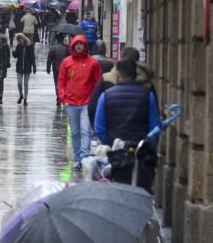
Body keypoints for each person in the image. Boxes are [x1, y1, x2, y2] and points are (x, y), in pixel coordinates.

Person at [94, 58, 160, 191]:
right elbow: (155, 128)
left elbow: (99, 127)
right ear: (135, 74)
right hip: (140, 155)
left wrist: (112, 142)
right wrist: (146, 147)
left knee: (117, 190)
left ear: (118, 75)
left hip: (116, 156)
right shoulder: (148, 96)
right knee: (140, 190)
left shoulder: (106, 96)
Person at [57, 35, 103, 170]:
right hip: (71, 103)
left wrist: (94, 99)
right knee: (75, 132)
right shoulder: (66, 62)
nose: (79, 46)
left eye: (81, 44)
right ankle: (77, 158)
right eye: (76, 44)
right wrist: (63, 97)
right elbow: (61, 81)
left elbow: (97, 82)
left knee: (85, 131)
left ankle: (84, 157)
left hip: (86, 103)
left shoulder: (92, 63)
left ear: (85, 46)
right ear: (72, 46)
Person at [88, 46, 156, 126]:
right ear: (137, 61)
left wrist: (100, 132)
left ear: (121, 58)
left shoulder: (106, 78)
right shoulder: (147, 83)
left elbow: (93, 107)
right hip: (140, 134)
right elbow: (154, 113)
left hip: (112, 132)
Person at [46, 33, 70, 106]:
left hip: (56, 68)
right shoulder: (67, 48)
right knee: (64, 83)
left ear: (56, 39)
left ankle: (59, 97)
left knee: (57, 83)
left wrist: (48, 68)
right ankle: (63, 97)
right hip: (64, 69)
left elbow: (49, 59)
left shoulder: (53, 48)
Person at [12, 33, 36, 106]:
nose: (20, 40)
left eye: (21, 38)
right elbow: (16, 55)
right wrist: (13, 52)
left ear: (24, 38)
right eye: (19, 39)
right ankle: (21, 95)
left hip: (27, 67)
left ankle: (25, 99)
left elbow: (32, 57)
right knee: (19, 83)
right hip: (19, 67)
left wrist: (34, 66)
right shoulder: (19, 46)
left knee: (25, 83)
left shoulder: (29, 46)